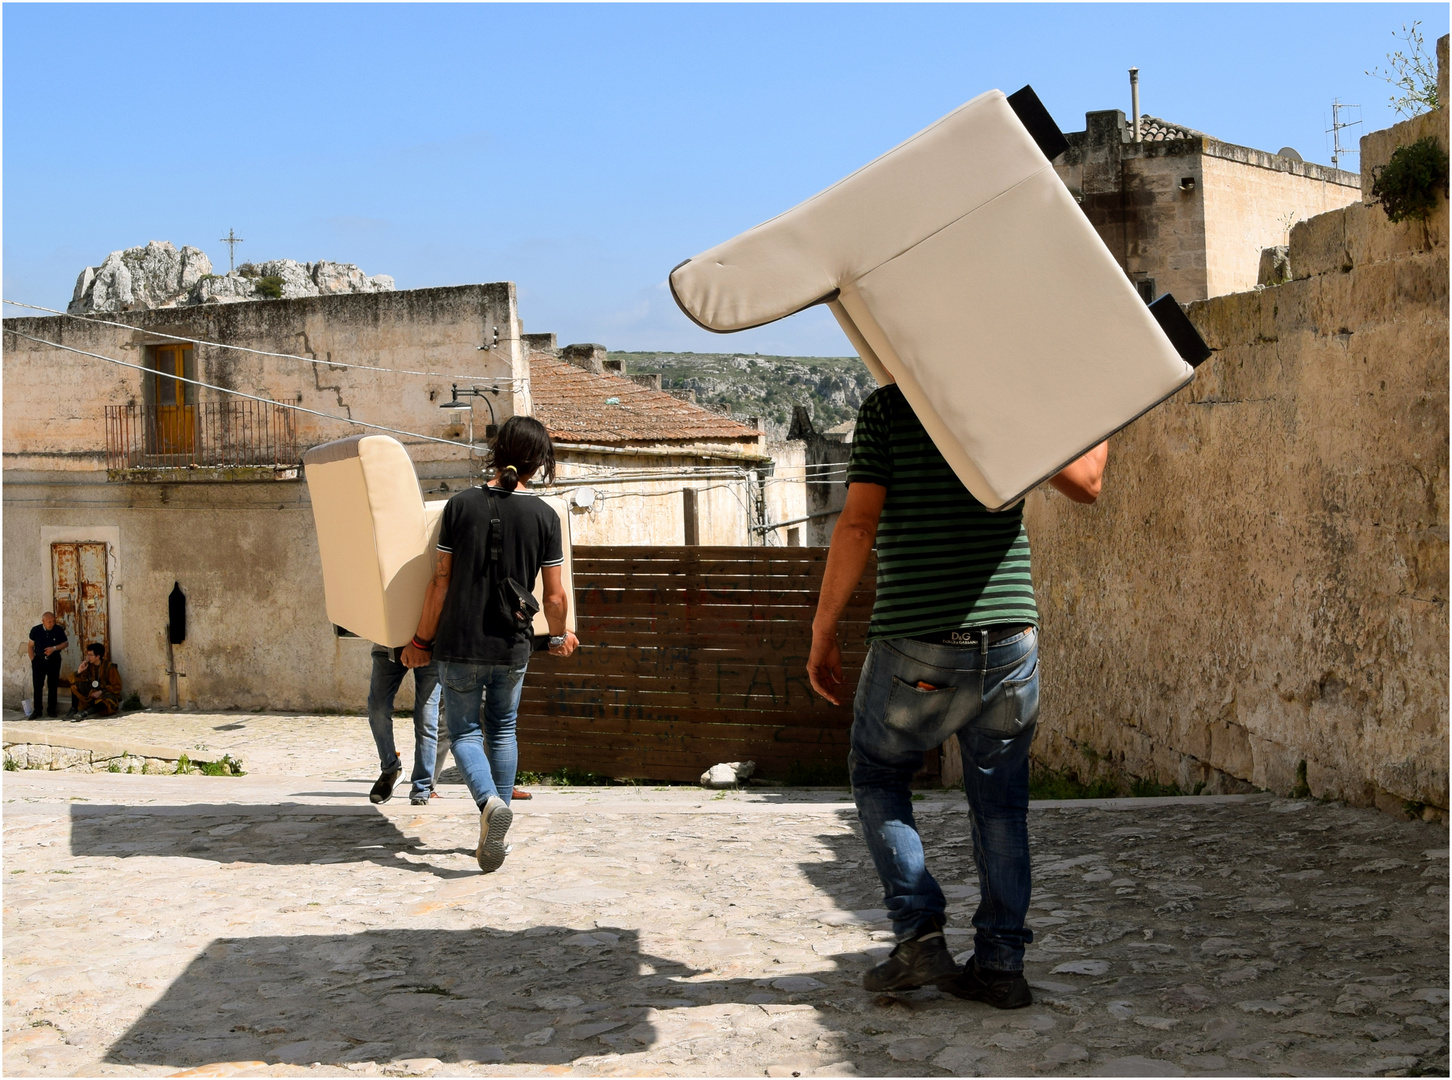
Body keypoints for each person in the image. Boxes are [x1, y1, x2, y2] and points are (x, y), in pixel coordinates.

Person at [807, 383, 1107, 1009]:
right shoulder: (1013, 400)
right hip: (1010, 640)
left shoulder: (891, 407)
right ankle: (1000, 966)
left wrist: (824, 628)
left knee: (879, 773)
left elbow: (858, 522)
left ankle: (919, 933)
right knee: (1001, 805)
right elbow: (1087, 483)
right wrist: (1105, 399)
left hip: (918, 638)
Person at [402, 415, 577, 873]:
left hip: (459, 641)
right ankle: (498, 825)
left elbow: (440, 582)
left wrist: (421, 638)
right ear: (539, 462)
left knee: (463, 732)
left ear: (497, 453)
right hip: (512, 645)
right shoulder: (544, 516)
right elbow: (555, 596)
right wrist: (558, 636)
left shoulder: (459, 507)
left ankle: (487, 806)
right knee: (502, 729)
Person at [366, 644, 442, 806]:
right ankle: (391, 768)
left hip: (431, 646)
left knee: (426, 718)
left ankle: (422, 786)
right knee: (377, 709)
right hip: (387, 644)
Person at [66, 643, 122, 720]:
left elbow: (117, 686)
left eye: (90, 655)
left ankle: (86, 713)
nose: (88, 657)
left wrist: (101, 692)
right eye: (88, 655)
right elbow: (71, 680)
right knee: (75, 686)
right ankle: (73, 709)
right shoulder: (88, 666)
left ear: (98, 656)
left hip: (105, 694)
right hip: (91, 693)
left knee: (109, 701)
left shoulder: (110, 667)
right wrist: (79, 671)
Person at [28, 612, 68, 718]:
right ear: (43, 621)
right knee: (37, 686)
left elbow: (65, 643)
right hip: (39, 661)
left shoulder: (58, 630)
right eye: (49, 622)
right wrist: (33, 660)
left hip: (53, 661)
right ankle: (37, 710)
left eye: (53, 621)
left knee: (53, 685)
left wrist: (54, 648)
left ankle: (51, 710)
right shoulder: (35, 630)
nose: (52, 624)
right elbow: (30, 646)